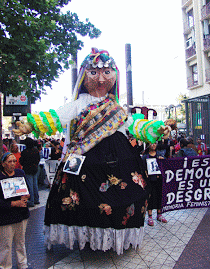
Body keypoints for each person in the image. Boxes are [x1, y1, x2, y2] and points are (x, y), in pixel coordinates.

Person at [13, 48, 171, 255]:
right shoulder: (79, 104)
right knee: (81, 200)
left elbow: (135, 126)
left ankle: (113, 235)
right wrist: (31, 125)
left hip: (118, 159)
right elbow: (57, 116)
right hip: (84, 159)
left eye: (107, 72)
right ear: (84, 76)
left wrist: (156, 128)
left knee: (125, 197)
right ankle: (87, 237)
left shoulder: (116, 108)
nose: (101, 78)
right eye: (94, 72)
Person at [0, 152, 30, 269]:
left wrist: (27, 196)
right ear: (3, 164)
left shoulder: (20, 173)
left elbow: (27, 190)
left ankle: (22, 264)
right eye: (9, 161)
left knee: (21, 243)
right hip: (5, 217)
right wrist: (13, 203)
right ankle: (5, 267)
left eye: (14, 161)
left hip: (21, 215)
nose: (13, 164)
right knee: (5, 245)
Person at [142, 143, 167, 226]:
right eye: (151, 144)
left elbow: (165, 165)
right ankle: (150, 216)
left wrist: (162, 160)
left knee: (159, 195)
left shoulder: (160, 155)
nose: (153, 145)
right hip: (149, 180)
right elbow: (142, 168)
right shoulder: (145, 156)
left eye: (155, 143)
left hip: (159, 179)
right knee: (150, 197)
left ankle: (159, 214)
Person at [19, 137, 40, 207]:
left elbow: (21, 161)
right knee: (35, 185)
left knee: (30, 185)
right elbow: (38, 159)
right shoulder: (36, 150)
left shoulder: (24, 152)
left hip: (27, 169)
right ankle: (36, 199)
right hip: (35, 168)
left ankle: (31, 201)